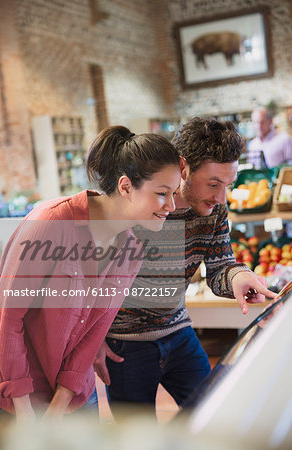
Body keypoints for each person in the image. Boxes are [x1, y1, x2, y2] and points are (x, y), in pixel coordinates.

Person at [0, 126, 181, 422]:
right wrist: (27, 417)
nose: (171, 206)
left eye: (174, 194)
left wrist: (57, 409)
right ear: (126, 187)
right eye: (162, 194)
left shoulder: (130, 250)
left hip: (71, 395)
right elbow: (7, 318)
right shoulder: (50, 222)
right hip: (15, 392)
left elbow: (93, 333)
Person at [93, 118, 277, 415]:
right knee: (139, 439)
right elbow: (92, 279)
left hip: (178, 332)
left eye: (228, 185)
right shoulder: (135, 206)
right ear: (183, 168)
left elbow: (220, 268)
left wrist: (239, 277)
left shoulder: (215, 210)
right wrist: (95, 339)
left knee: (216, 415)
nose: (220, 198)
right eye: (213, 184)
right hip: (125, 347)